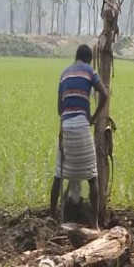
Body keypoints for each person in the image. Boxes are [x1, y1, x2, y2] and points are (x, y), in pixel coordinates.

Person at [50, 44, 108, 229]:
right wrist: (93, 116)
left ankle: (52, 217)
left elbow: (60, 109)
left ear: (76, 57)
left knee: (59, 174)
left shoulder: (64, 73)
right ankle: (96, 224)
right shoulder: (90, 71)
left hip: (66, 127)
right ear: (89, 59)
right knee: (92, 175)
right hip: (82, 126)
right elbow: (104, 94)